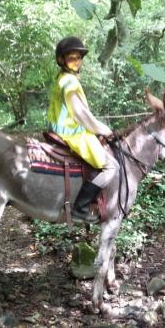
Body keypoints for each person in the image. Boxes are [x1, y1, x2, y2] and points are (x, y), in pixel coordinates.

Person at [47, 36, 119, 222]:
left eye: (78, 58)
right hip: (72, 134)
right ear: (62, 60)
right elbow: (81, 115)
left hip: (62, 130)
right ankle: (80, 207)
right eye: (72, 57)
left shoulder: (62, 78)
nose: (77, 61)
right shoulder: (70, 82)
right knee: (111, 166)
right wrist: (103, 129)